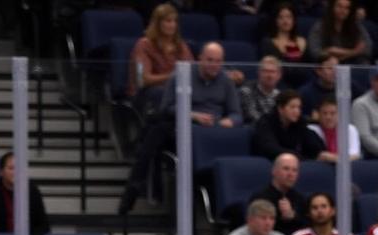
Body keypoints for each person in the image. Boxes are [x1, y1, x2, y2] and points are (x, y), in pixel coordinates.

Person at [117, 42, 242, 215]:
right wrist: (192, 115)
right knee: (156, 131)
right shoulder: (181, 75)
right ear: (200, 59)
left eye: (218, 61)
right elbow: (167, 108)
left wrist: (228, 121)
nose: (214, 65)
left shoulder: (226, 81)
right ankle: (134, 190)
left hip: (214, 132)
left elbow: (237, 114)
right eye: (210, 60)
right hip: (185, 128)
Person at [127, 3, 193, 114]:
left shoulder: (180, 46)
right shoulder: (144, 45)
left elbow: (192, 70)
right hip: (146, 94)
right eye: (168, 21)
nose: (172, 25)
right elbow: (143, 80)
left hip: (174, 91)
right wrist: (173, 76)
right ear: (157, 23)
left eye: (175, 21)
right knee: (161, 93)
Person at [0, 151, 51, 235]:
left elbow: (42, 225)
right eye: (11, 168)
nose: (16, 172)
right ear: (1, 172)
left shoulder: (32, 190)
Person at [252, 90, 323, 161]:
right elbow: (270, 148)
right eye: (292, 107)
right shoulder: (266, 122)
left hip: (290, 161)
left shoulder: (299, 122)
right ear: (280, 109)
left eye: (299, 107)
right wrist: (298, 156)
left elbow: (312, 145)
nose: (297, 111)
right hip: (267, 161)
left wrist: (321, 153)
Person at [249, 152, 309, 235]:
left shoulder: (300, 198)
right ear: (274, 171)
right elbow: (257, 229)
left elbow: (307, 227)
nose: (290, 174)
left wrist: (293, 217)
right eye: (286, 169)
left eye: (294, 170)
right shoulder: (260, 198)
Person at [307, 0, 372, 64]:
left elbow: (367, 48)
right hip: (328, 64)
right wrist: (355, 52)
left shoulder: (356, 26)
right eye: (339, 6)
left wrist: (334, 51)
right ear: (332, 7)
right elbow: (314, 52)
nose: (342, 11)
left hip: (352, 64)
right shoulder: (320, 26)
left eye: (347, 8)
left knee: (364, 63)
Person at [260, 3, 308, 85]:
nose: (285, 21)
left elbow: (309, 67)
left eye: (289, 17)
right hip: (278, 84)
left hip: (302, 83)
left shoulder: (302, 41)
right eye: (281, 17)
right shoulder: (268, 43)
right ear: (275, 20)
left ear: (294, 20)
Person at [307, 96, 361, 161]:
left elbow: (355, 155)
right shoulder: (311, 130)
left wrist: (332, 158)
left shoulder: (349, 129)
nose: (328, 117)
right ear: (318, 114)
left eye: (333, 113)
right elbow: (317, 156)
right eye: (324, 113)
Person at [239, 56, 283, 127]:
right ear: (259, 73)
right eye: (266, 71)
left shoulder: (280, 96)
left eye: (272, 72)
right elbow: (253, 117)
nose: (269, 75)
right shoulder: (247, 91)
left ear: (279, 75)